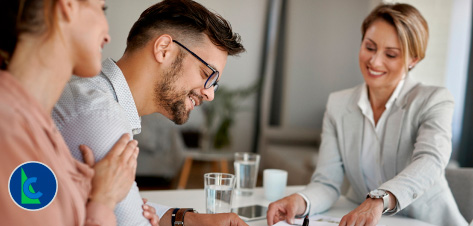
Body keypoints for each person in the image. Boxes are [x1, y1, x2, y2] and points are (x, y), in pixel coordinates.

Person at [266, 3, 468, 226]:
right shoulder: (338, 104)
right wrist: (300, 200)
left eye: (390, 54)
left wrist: (379, 199)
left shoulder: (433, 100)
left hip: (426, 221)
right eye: (370, 47)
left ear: (413, 60)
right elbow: (327, 182)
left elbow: (430, 161)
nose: (375, 61)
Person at [52, 0, 247, 225]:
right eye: (207, 74)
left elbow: (128, 209)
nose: (210, 94)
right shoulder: (102, 116)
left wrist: (188, 219)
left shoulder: (95, 94)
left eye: (215, 84)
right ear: (164, 49)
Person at [0, 0, 143, 225]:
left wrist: (83, 187)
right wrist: (104, 200)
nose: (108, 36)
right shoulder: (9, 131)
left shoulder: (38, 126)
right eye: (101, 9)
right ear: (67, 5)